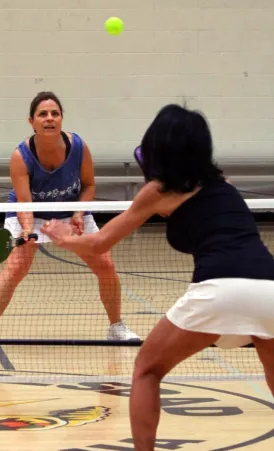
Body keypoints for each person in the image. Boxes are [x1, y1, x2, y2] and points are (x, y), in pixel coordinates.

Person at [41, 104, 274, 450]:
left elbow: (100, 243)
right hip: (270, 287)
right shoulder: (224, 185)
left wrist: (63, 237)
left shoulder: (159, 191)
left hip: (221, 287)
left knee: (147, 371)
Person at [0, 91, 138, 352]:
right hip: (30, 212)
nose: (49, 119)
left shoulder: (79, 148)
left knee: (105, 265)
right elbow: (24, 203)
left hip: (70, 209)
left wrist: (78, 214)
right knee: (17, 267)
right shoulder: (21, 156)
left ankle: (116, 327)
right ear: (32, 122)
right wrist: (27, 231)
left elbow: (89, 185)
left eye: (55, 114)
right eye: (43, 114)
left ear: (61, 119)